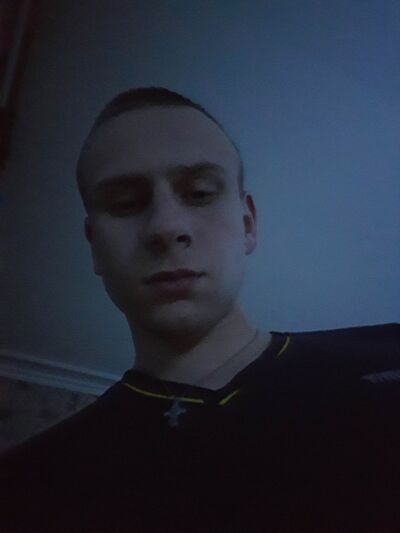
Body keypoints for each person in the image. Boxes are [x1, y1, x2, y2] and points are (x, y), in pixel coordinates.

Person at [0, 86, 399, 533]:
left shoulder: (389, 359)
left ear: (248, 224)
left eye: (200, 192)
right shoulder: (25, 490)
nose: (166, 227)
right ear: (94, 247)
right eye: (126, 204)